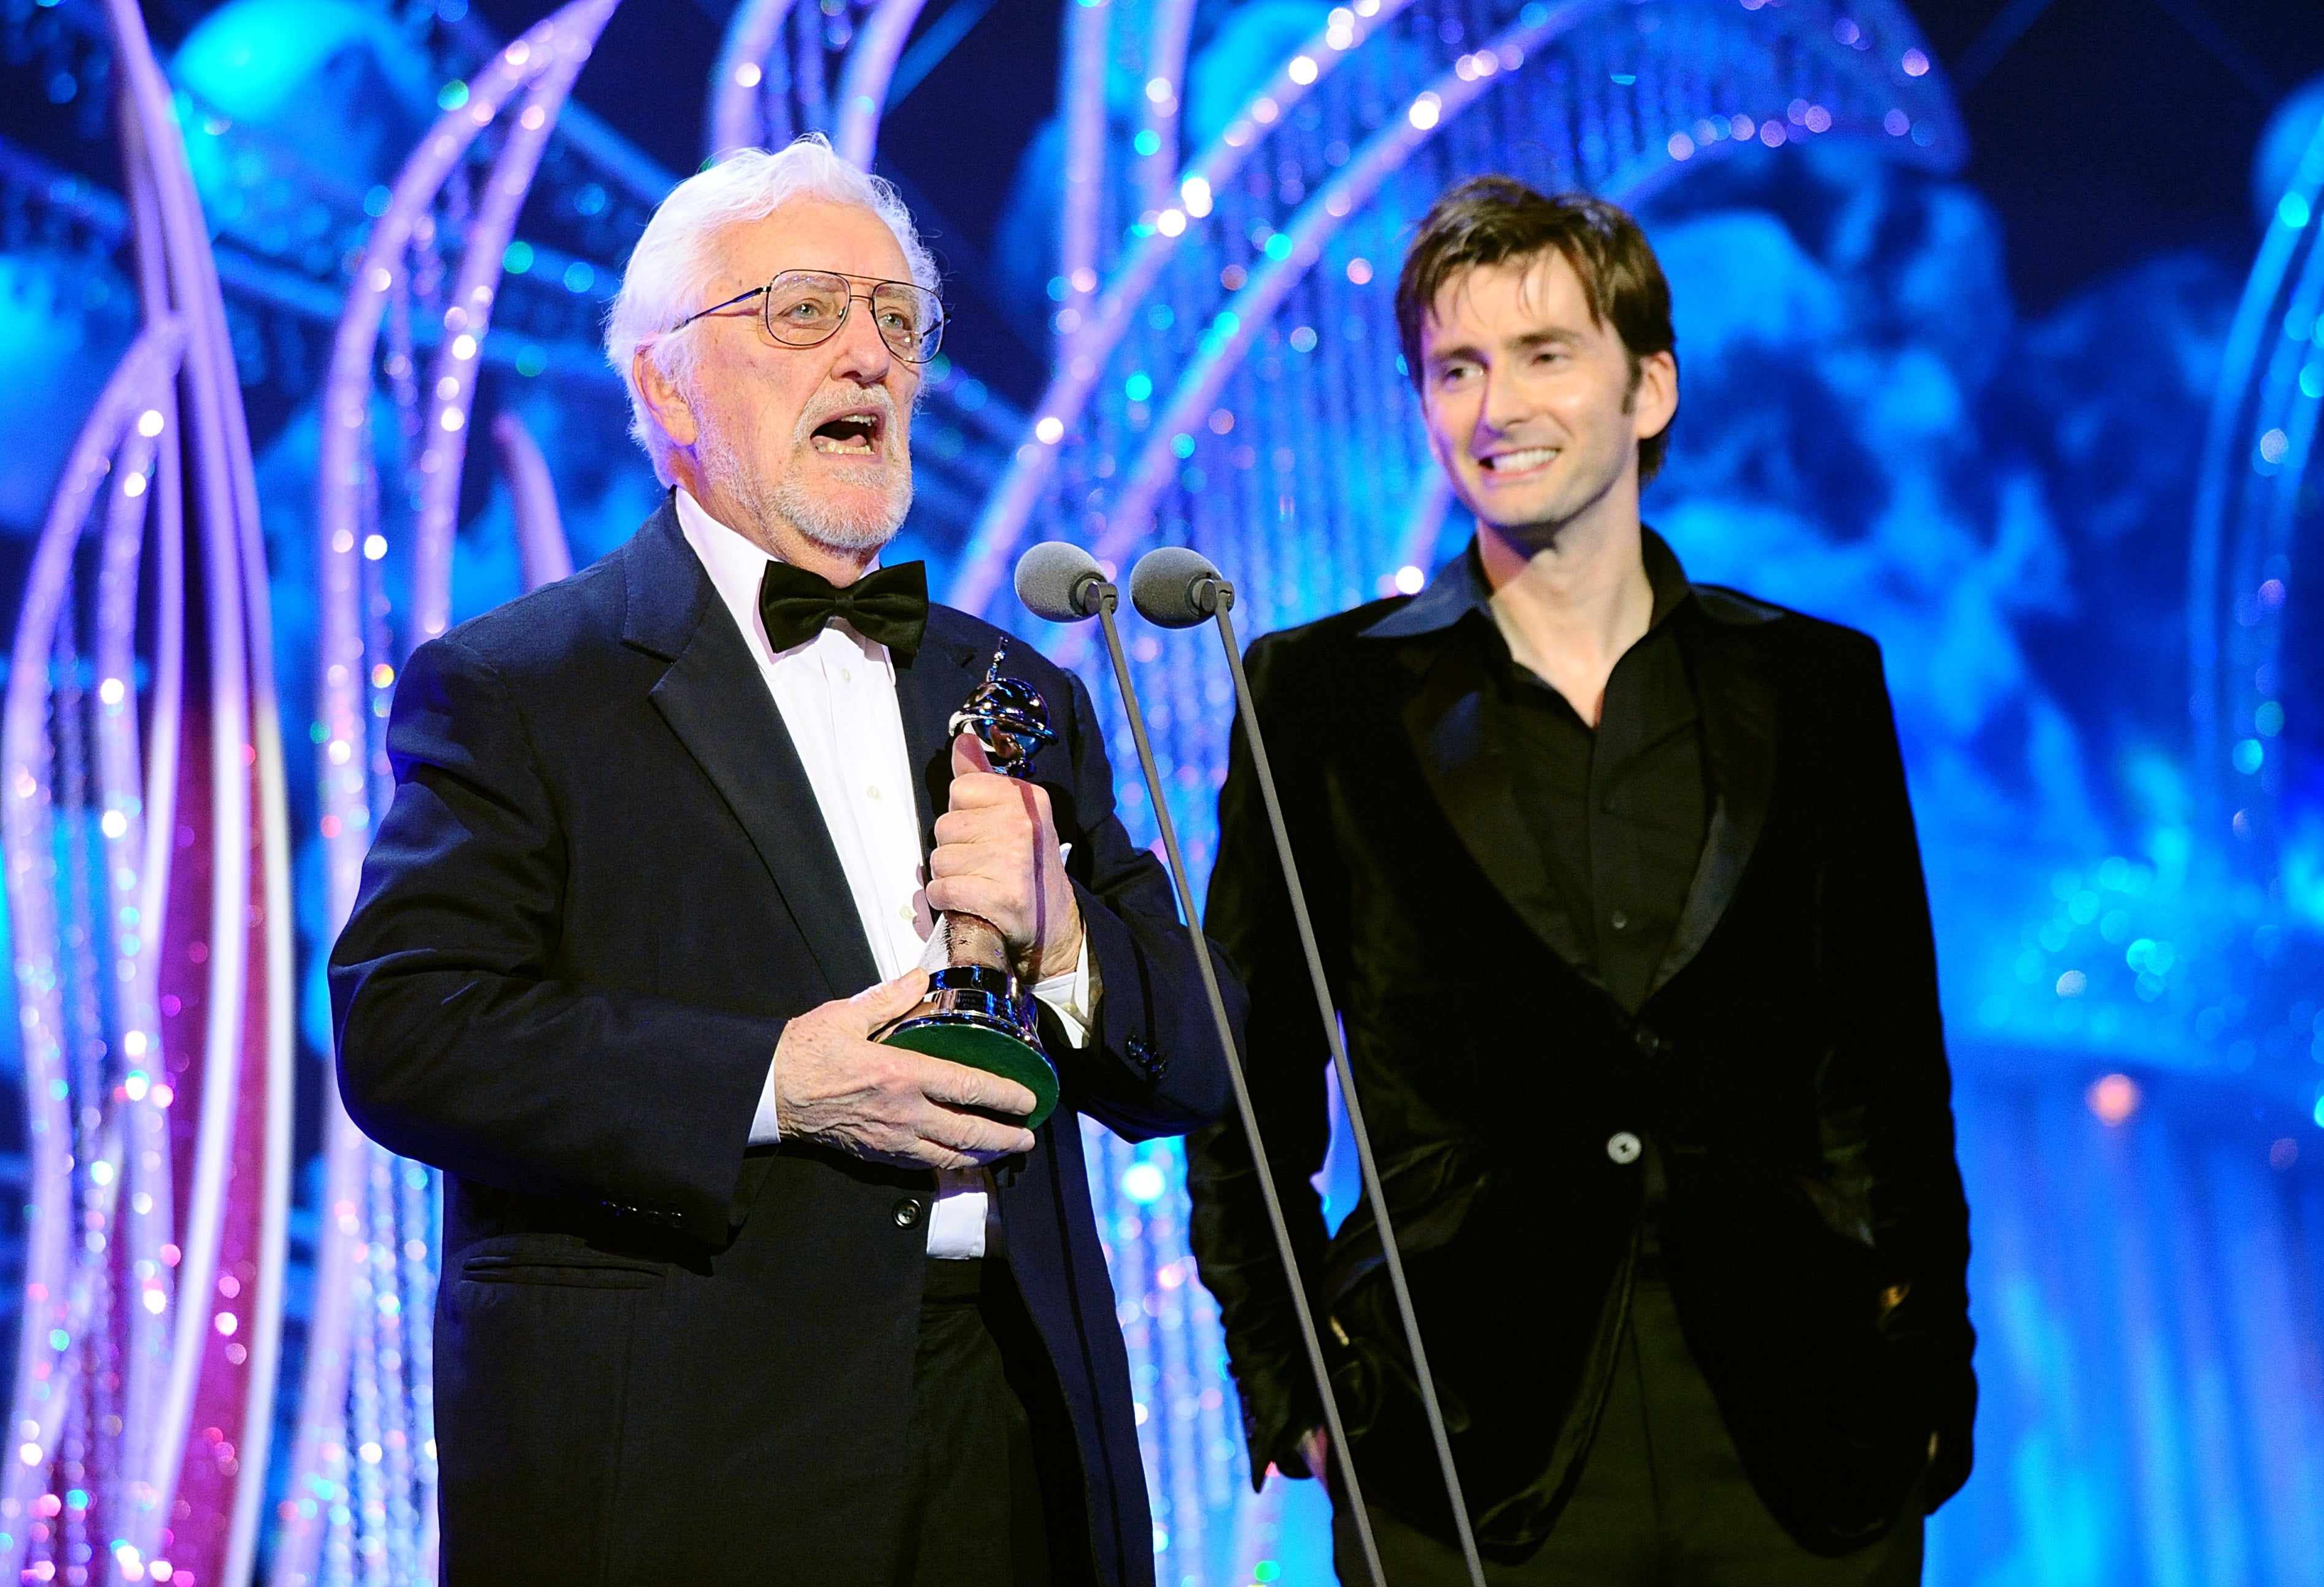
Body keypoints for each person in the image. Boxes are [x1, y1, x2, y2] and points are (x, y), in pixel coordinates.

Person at [331, 136, 1237, 1586]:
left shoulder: (1018, 691)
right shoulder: (521, 686)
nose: (869, 356)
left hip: (1009, 1443)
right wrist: (776, 1081)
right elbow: (408, 1029)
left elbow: (1202, 1070)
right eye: (805, 311)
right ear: (663, 385)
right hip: (692, 1449)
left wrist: (1066, 944)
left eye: (897, 319)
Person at [1185, 176, 1974, 1585]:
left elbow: (1894, 1072)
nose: (1497, 408)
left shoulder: (1814, 684)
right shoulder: (1319, 698)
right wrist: (1297, 1388)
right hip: (1467, 1447)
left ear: (1649, 389)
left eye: (1545, 354)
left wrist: (1926, 1373)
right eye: (1457, 369)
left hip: (1800, 1439)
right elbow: (1248, 1089)